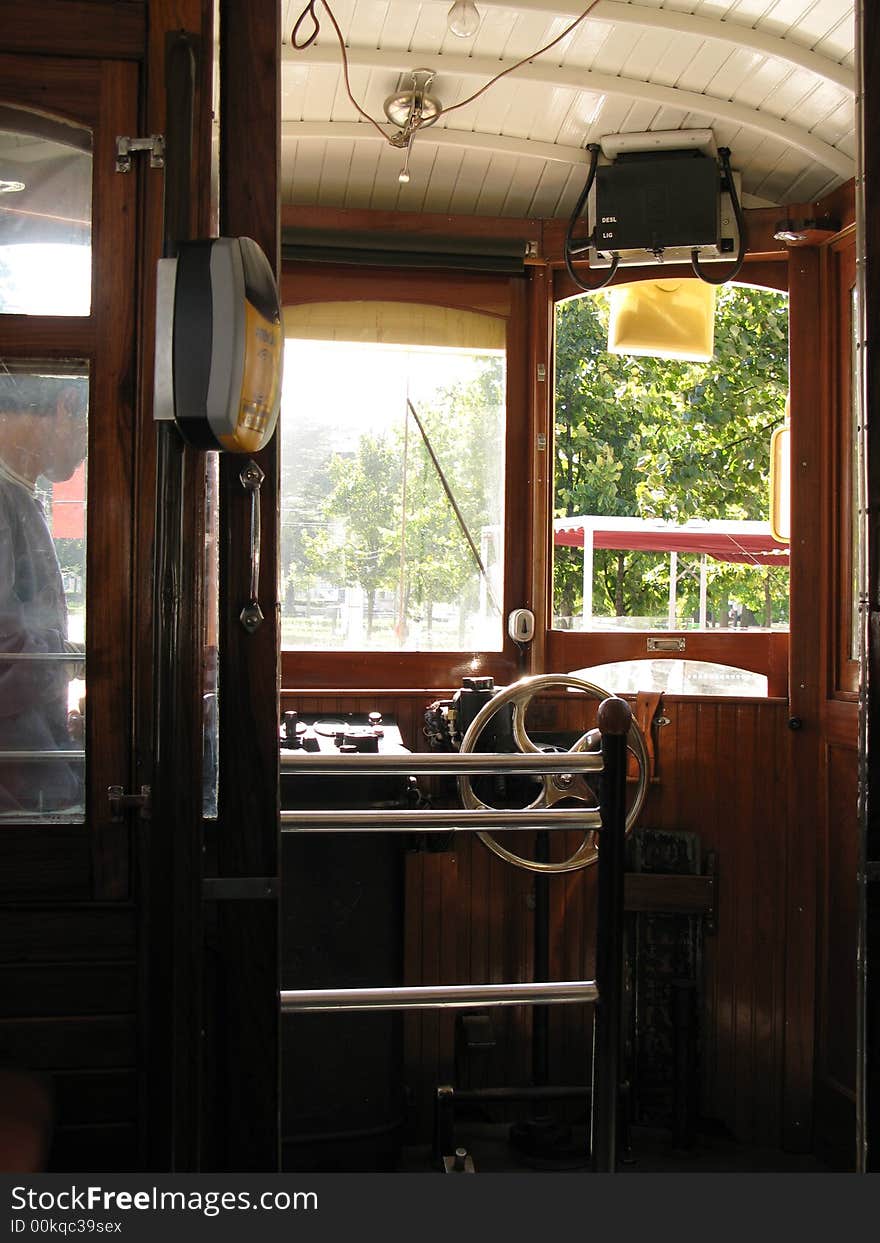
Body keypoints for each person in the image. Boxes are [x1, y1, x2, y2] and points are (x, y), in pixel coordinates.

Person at [0, 371, 87, 816]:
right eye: (88, 432)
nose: (86, 453)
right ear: (66, 406)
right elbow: (9, 653)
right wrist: (80, 660)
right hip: (16, 786)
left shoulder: (18, 494)